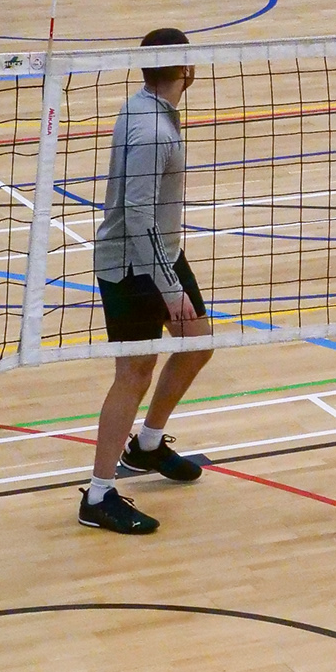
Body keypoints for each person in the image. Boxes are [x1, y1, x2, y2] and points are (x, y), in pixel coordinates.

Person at [81, 28, 214, 537]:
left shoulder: (143, 107)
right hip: (132, 263)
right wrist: (170, 288)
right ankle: (98, 495)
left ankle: (148, 444)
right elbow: (137, 217)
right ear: (187, 70)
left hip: (162, 252)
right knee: (134, 373)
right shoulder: (153, 130)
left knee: (197, 342)